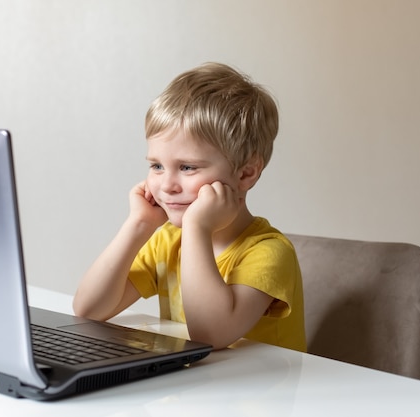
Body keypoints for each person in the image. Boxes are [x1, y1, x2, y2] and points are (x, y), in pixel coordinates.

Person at [73, 62, 306, 351]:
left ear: (246, 173)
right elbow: (88, 309)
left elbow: (209, 336)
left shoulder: (269, 253)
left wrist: (197, 227)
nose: (167, 185)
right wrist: (138, 225)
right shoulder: (167, 241)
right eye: (157, 165)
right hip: (195, 389)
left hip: (262, 392)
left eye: (187, 167)